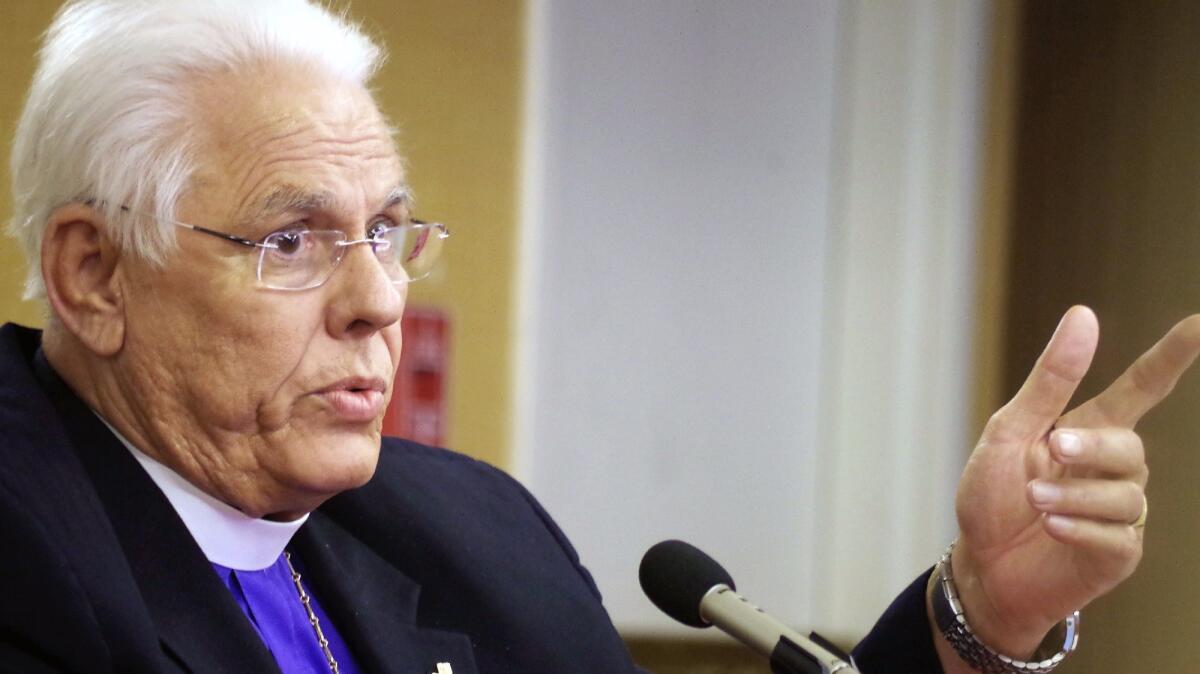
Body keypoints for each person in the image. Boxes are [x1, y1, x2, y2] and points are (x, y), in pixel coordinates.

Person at [1, 2, 1197, 673]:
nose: (376, 300)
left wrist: (977, 612)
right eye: (294, 241)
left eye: (389, 232)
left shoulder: (473, 528)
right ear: (93, 274)